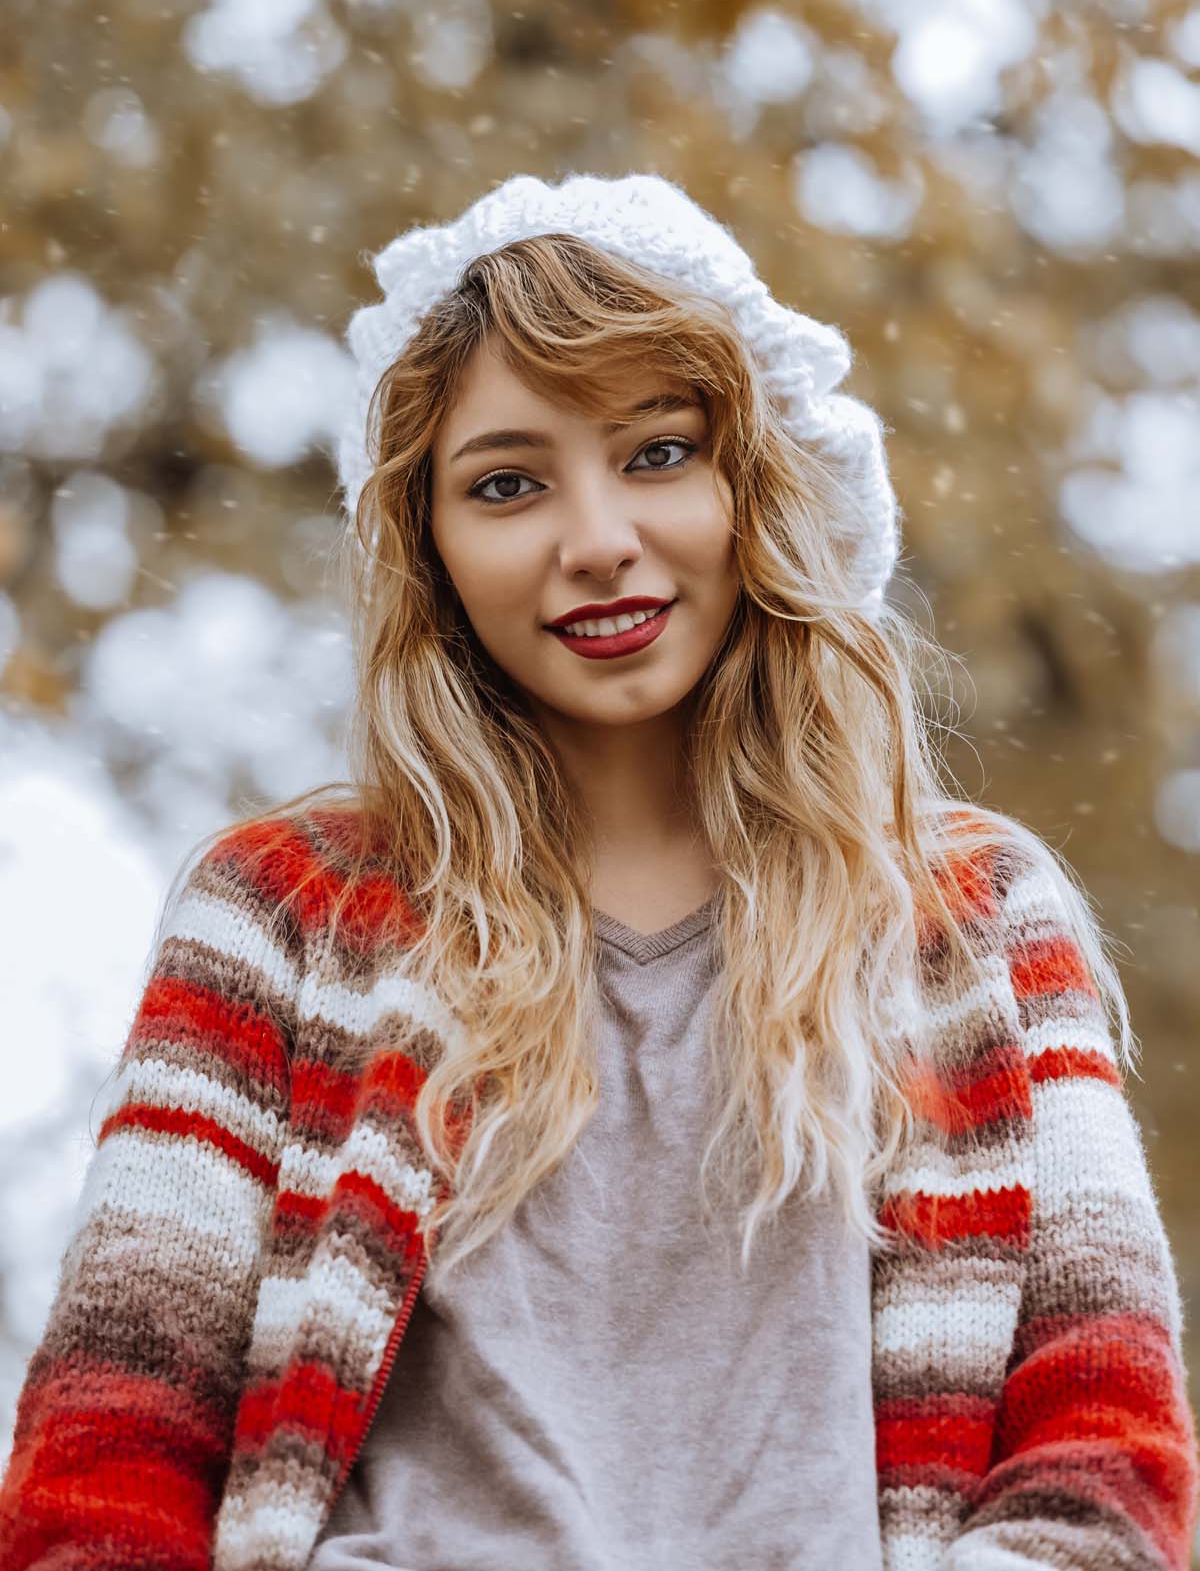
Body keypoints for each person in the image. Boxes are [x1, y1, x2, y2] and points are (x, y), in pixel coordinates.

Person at [0, 171, 1196, 1571]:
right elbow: (110, 1466)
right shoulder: (284, 915)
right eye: (508, 482)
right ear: (427, 546)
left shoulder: (970, 922)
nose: (597, 540)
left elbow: (1105, 1456)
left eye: (658, 452)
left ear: (756, 480)